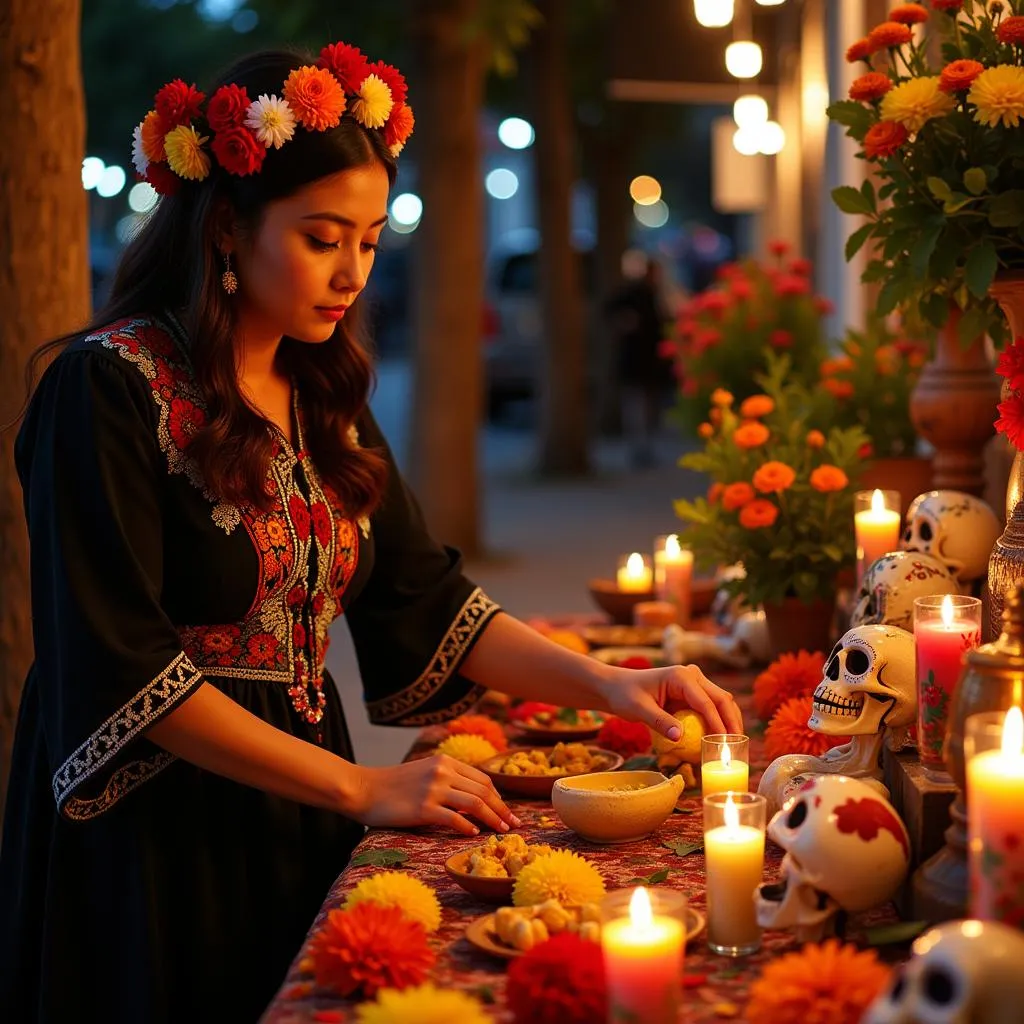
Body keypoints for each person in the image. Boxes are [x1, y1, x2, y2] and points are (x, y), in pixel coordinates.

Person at [0, 43, 742, 1024]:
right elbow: (119, 667)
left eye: (369, 238)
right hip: (155, 831)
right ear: (226, 228)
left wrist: (608, 681)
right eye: (320, 237)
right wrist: (358, 786)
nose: (351, 271)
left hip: (303, 797)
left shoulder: (322, 390)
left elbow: (424, 597)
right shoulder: (106, 388)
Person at [606, 252, 673, 467]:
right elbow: (610, 309)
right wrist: (626, 322)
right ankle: (639, 449)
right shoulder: (637, 293)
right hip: (636, 359)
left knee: (648, 405)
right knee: (636, 404)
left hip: (651, 360)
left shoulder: (657, 294)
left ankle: (644, 447)